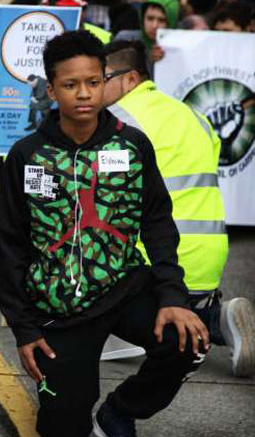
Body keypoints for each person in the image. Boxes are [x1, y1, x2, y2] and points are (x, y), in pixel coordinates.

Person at [0, 30, 208, 437]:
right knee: (63, 436)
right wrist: (24, 328)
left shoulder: (132, 145)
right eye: (71, 85)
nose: (84, 94)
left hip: (124, 288)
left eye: (93, 82)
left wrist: (172, 295)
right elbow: (10, 245)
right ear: (52, 90)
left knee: (188, 340)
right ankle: (68, 394)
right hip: (61, 312)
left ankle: (119, 412)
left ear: (104, 80)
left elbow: (158, 223)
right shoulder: (27, 155)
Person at [101, 39, 255, 377]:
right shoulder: (193, 115)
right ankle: (215, 319)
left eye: (103, 78)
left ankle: (193, 334)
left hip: (156, 261)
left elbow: (105, 196)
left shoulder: (118, 121)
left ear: (131, 78)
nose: (95, 90)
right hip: (209, 260)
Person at [114, 0, 179, 75]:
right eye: (150, 18)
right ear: (142, 18)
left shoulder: (177, 49)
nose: (154, 25)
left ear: (171, 22)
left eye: (162, 20)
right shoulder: (126, 39)